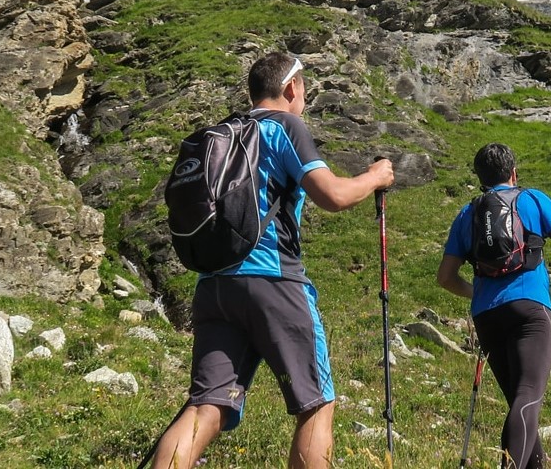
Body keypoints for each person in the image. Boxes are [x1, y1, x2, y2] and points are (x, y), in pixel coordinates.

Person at [151, 52, 395, 469]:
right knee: (315, 405)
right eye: (305, 91)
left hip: (213, 287)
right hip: (274, 281)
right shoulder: (285, 126)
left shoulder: (223, 132)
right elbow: (332, 195)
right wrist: (375, 177)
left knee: (206, 406)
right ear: (291, 88)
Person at [436, 142, 551, 469]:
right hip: (530, 310)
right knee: (528, 400)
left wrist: (479, 294)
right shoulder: (533, 199)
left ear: (480, 177)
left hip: (486, 316)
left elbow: (445, 277)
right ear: (513, 173)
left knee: (519, 401)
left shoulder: (468, 214)